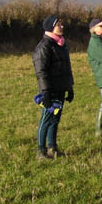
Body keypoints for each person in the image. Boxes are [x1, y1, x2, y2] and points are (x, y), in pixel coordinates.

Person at [32, 15, 74, 159]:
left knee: (55, 119)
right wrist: (46, 92)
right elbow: (41, 72)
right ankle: (41, 151)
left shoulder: (61, 45)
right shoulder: (44, 46)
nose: (62, 27)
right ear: (51, 27)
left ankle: (52, 148)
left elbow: (66, 68)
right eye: (59, 25)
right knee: (46, 119)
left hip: (61, 88)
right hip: (50, 90)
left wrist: (69, 87)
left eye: (62, 24)